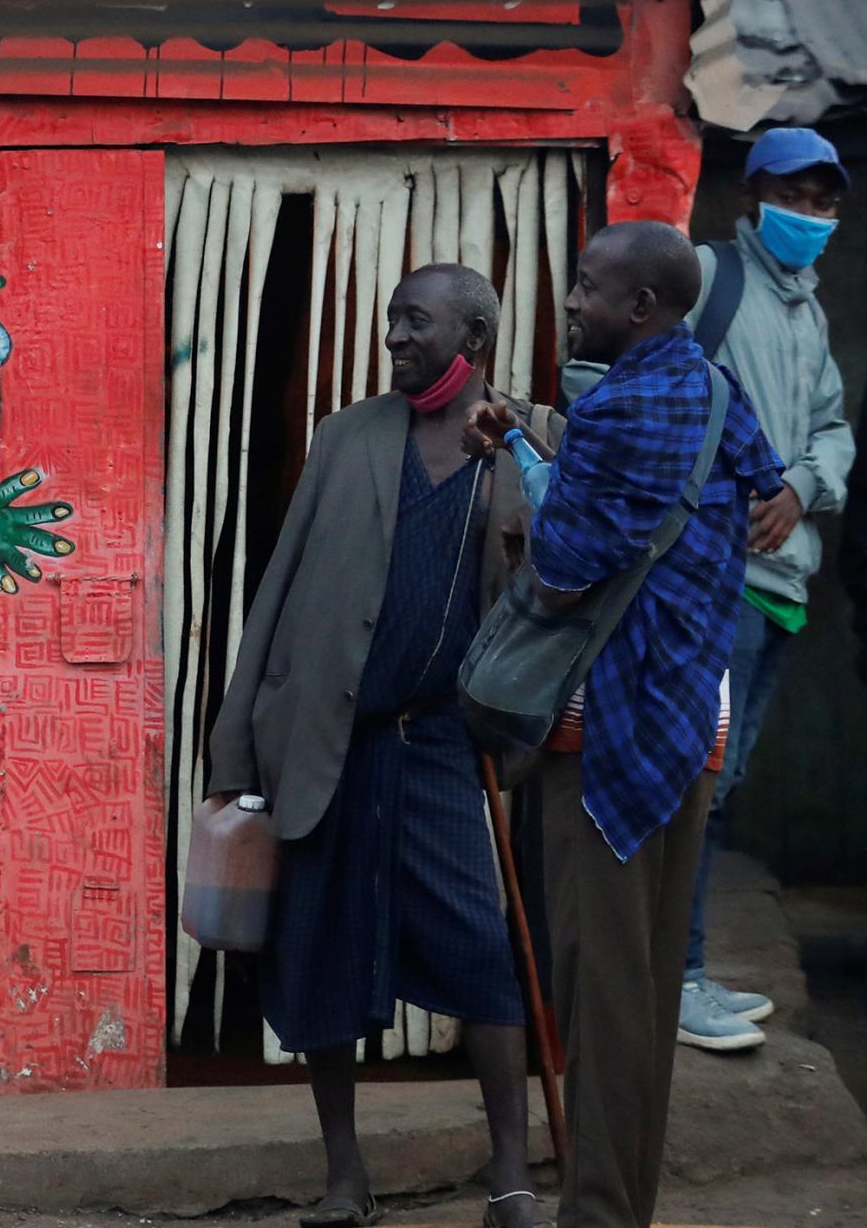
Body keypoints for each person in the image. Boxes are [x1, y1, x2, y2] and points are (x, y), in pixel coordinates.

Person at [210, 264, 553, 1228]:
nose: (395, 337)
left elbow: (563, 571)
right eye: (391, 320)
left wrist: (524, 463)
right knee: (324, 956)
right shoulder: (349, 435)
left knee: (483, 953)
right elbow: (276, 594)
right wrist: (234, 754)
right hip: (332, 741)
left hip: (444, 742)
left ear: (475, 334)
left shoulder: (524, 442)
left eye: (417, 321)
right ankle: (345, 1179)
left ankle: (512, 1180)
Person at [467, 221, 785, 1228]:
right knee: (644, 995)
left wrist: (524, 487)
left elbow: (560, 571)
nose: (571, 300)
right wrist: (530, 427)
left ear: (639, 307)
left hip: (603, 738)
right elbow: (767, 491)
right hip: (689, 727)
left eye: (589, 287)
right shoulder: (715, 395)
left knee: (598, 995)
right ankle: (624, 1206)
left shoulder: (613, 417)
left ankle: (596, 1214)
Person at [673, 127, 850, 1051]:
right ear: (753, 196)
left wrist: (801, 487)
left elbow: (833, 427)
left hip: (782, 583)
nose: (811, 215)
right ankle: (677, 979)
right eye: (796, 195)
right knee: (697, 779)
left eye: (826, 202)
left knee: (722, 782)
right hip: (714, 579)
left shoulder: (809, 314)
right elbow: (627, 376)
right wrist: (729, 490)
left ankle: (687, 970)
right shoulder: (708, 276)